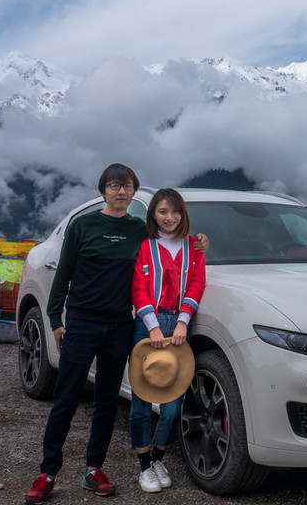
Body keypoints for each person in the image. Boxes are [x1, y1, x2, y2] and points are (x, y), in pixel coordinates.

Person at [25, 166, 207, 504]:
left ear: (134, 191)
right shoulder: (83, 225)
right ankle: (47, 473)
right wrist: (55, 320)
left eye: (127, 186)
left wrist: (199, 241)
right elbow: (63, 274)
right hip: (82, 323)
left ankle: (93, 470)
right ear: (103, 190)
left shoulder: (139, 231)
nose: (120, 192)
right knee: (65, 398)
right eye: (114, 185)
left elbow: (169, 243)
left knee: (106, 403)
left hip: (120, 327)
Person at [128, 188, 207, 493]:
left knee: (173, 404)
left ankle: (159, 456)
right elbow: (138, 287)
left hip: (179, 326)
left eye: (174, 212)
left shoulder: (194, 247)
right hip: (147, 324)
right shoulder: (145, 247)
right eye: (162, 212)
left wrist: (183, 320)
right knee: (141, 401)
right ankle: (144, 465)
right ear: (153, 215)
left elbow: (197, 283)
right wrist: (152, 325)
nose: (169, 218)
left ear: (182, 214)